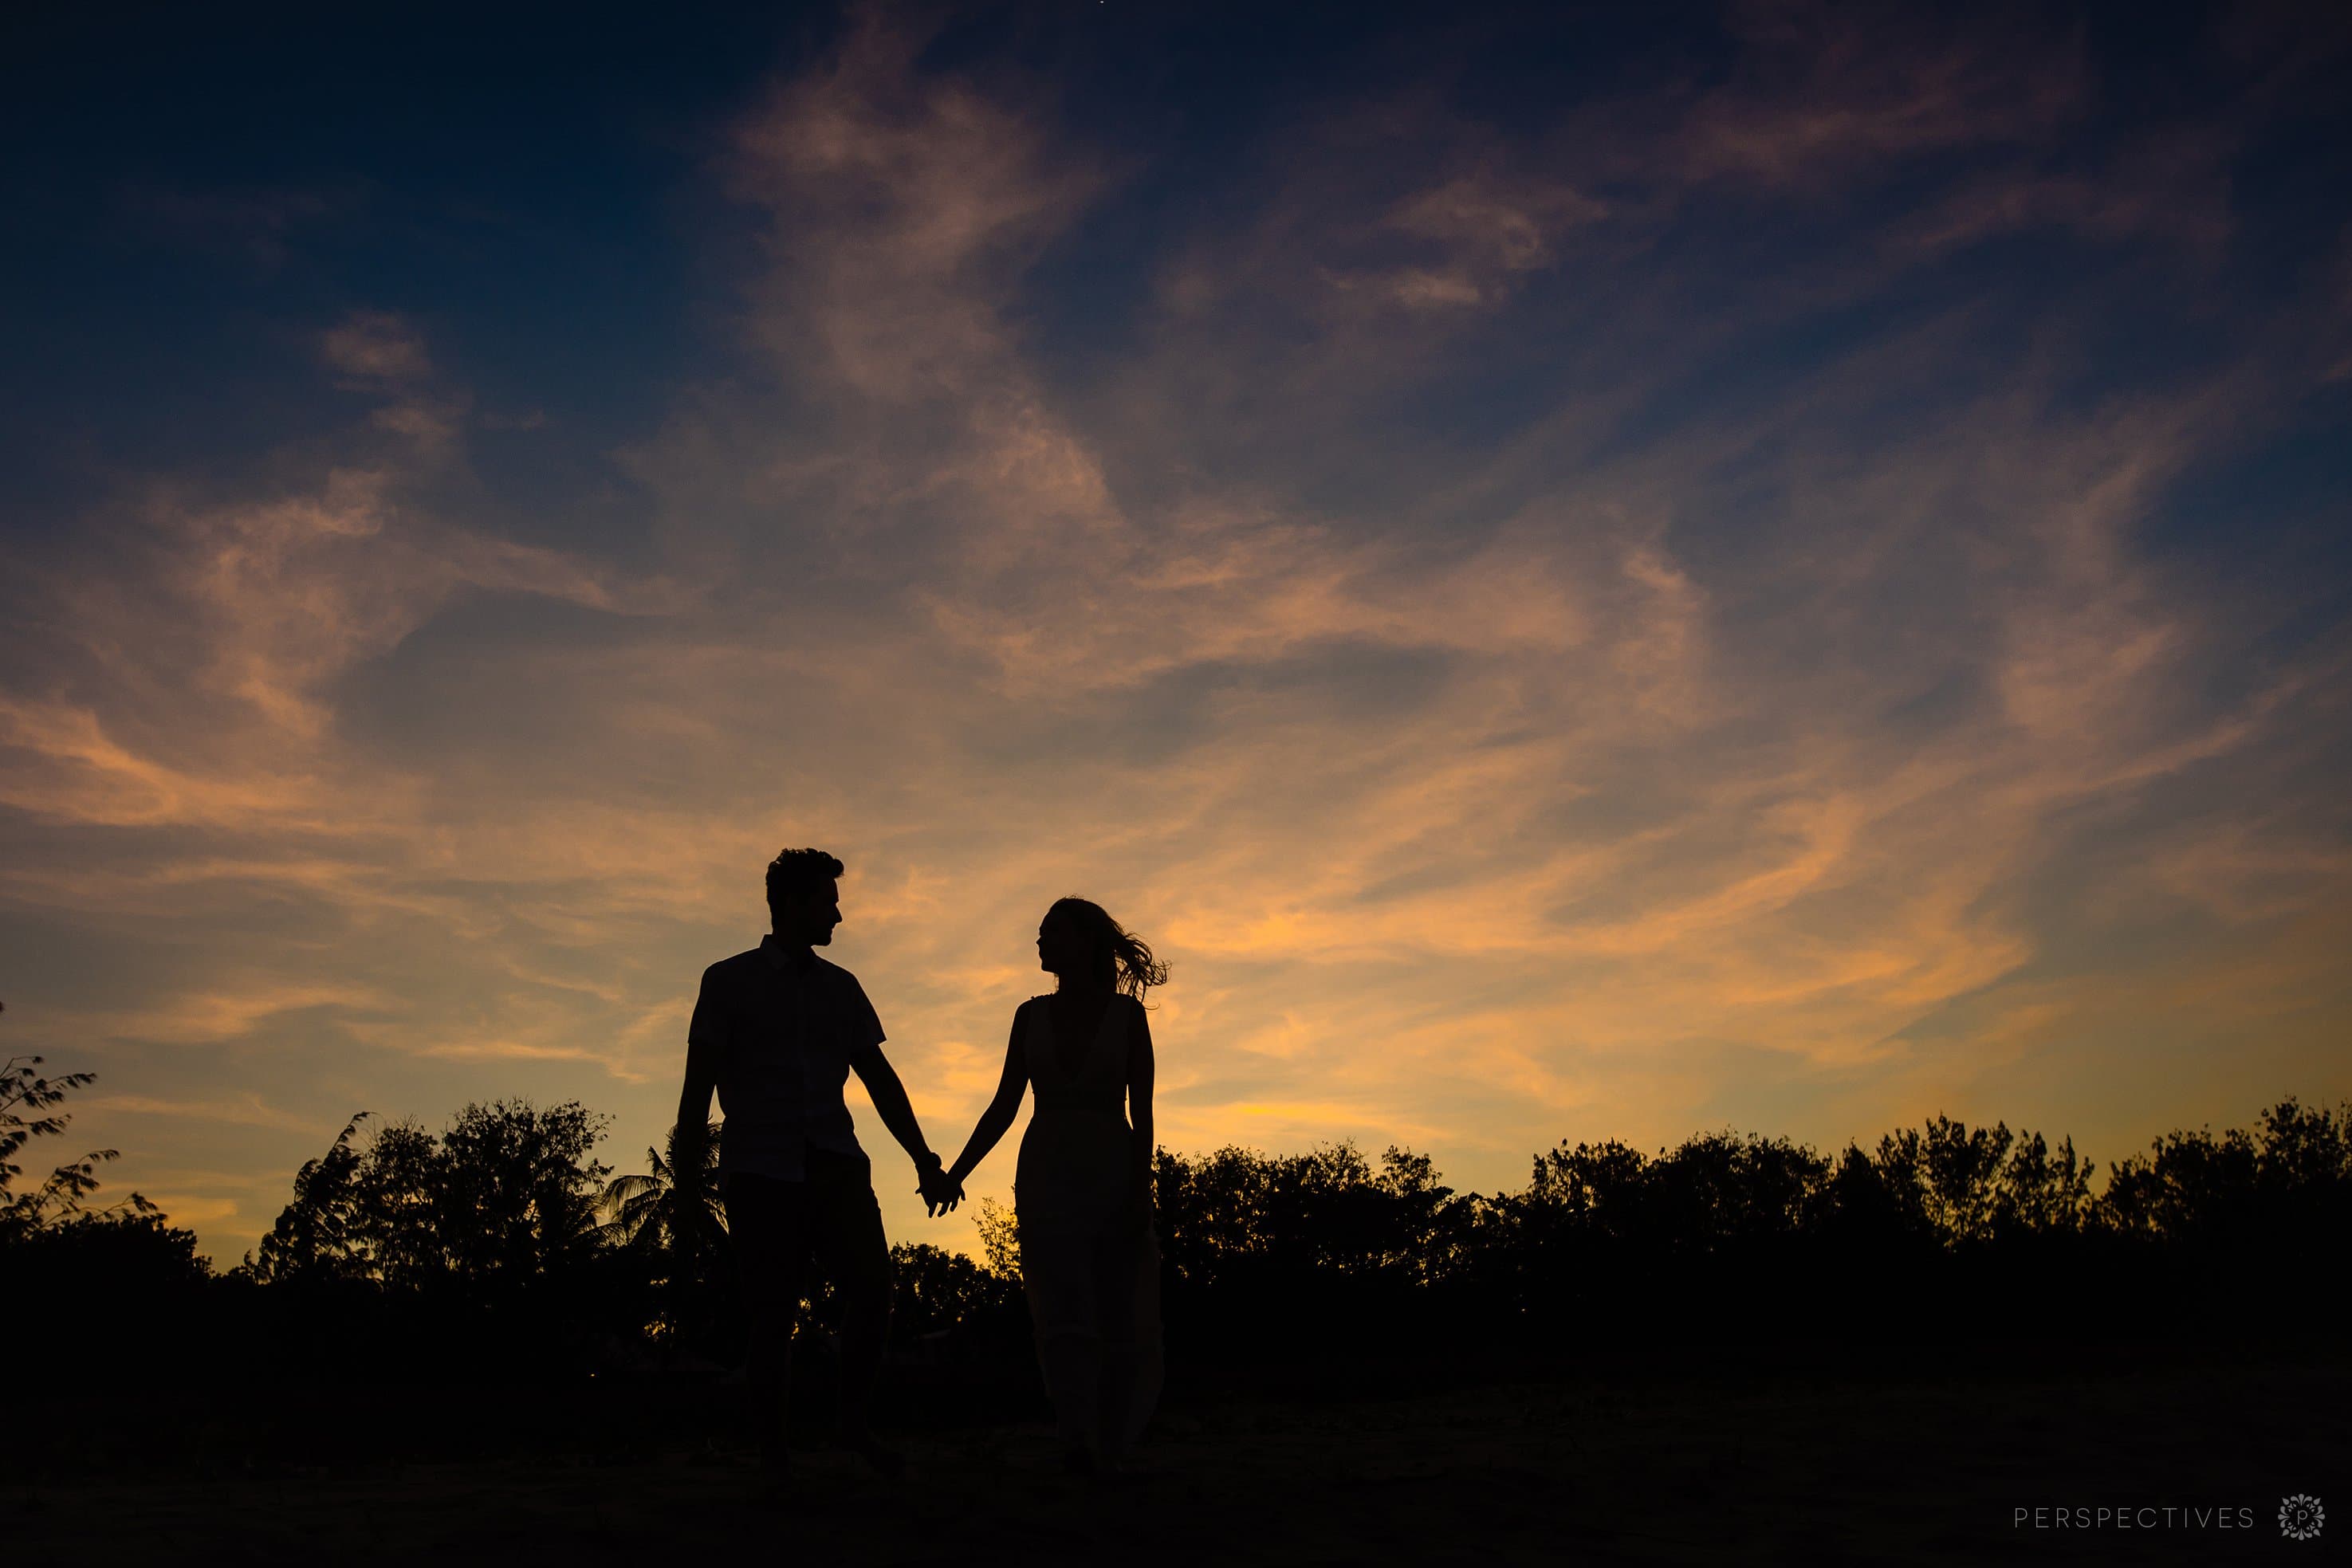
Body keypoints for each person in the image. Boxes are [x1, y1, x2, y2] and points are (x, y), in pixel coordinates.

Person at [675, 847, 962, 1480]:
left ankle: (851, 1422)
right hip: (759, 1168)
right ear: (792, 904)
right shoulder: (727, 981)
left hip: (834, 1161)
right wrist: (688, 1185)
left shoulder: (843, 988)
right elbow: (697, 1091)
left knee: (873, 1289)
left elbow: (880, 1080)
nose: (838, 913)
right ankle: (774, 1455)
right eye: (828, 900)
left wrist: (923, 1157)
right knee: (772, 1313)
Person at [946, 896, 1166, 1474]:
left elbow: (1142, 1117)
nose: (1040, 942)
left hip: (1110, 1166)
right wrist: (955, 1173)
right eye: (1039, 933)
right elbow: (1002, 1108)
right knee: (1060, 1304)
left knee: (1117, 1304)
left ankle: (1115, 1439)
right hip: (1045, 1170)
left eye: (1051, 932)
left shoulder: (1127, 1018)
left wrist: (1139, 1190)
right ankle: (1077, 1438)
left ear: (1086, 941)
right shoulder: (1028, 1015)